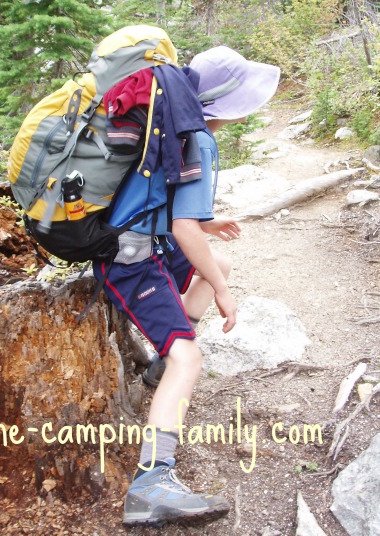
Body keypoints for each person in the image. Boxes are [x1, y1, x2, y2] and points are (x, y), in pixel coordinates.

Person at [93, 46, 280, 528]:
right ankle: (151, 481)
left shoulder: (170, 119)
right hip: (131, 259)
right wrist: (220, 289)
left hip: (139, 240)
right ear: (227, 103)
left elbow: (169, 204)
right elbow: (182, 229)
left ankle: (158, 372)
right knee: (189, 355)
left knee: (219, 260)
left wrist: (208, 228)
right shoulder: (197, 137)